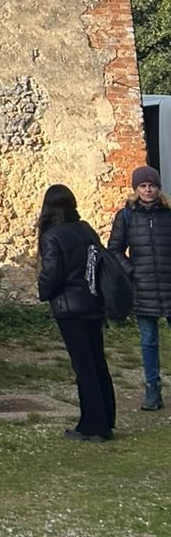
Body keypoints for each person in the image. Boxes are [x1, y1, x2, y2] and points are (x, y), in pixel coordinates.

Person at [37, 184, 115, 441]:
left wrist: (44, 291)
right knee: (97, 362)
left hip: (69, 307)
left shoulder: (52, 236)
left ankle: (93, 425)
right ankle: (105, 418)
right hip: (93, 303)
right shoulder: (86, 230)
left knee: (84, 367)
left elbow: (51, 273)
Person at [108, 166, 171, 410]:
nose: (148, 189)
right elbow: (114, 249)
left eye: (152, 185)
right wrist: (131, 269)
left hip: (168, 283)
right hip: (143, 288)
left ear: (158, 188)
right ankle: (152, 391)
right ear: (136, 189)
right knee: (148, 342)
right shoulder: (126, 216)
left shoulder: (168, 213)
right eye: (143, 186)